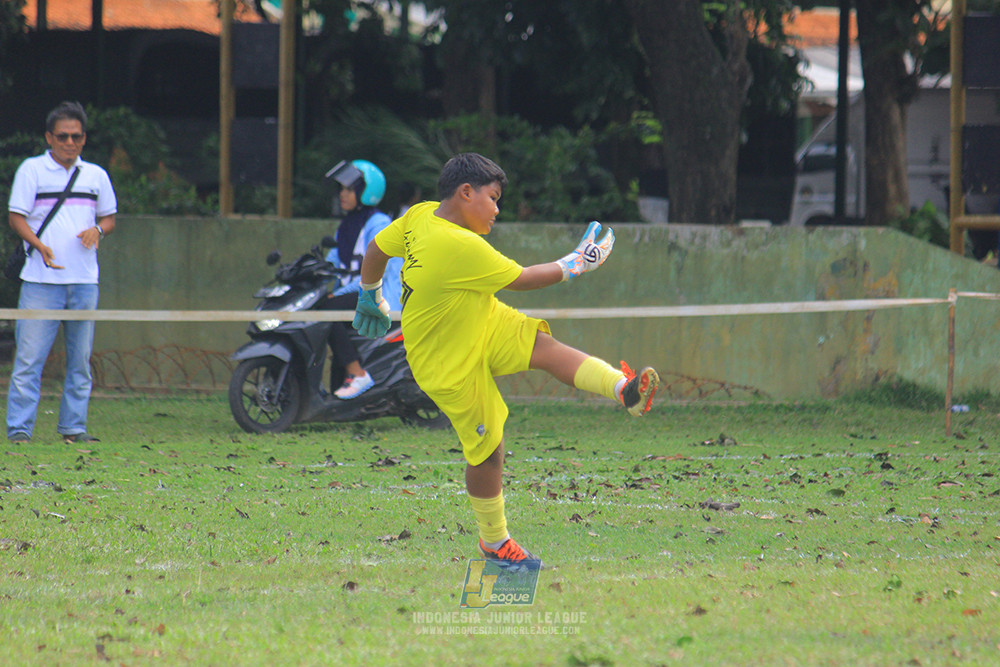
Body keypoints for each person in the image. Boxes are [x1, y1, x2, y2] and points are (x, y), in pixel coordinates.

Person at [351, 152, 659, 567]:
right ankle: (494, 543)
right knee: (488, 451)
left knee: (545, 349)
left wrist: (370, 293)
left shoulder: (420, 215)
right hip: (445, 359)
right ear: (465, 192)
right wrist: (578, 263)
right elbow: (525, 279)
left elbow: (377, 247)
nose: (497, 210)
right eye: (493, 198)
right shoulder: (460, 246)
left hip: (479, 318)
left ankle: (623, 390)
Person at [6, 101, 117, 444]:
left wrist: (97, 231)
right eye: (63, 136)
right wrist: (38, 246)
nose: (70, 142)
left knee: (80, 362)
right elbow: (16, 217)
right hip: (40, 282)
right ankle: (20, 430)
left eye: (77, 136)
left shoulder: (96, 175)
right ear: (49, 138)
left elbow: (109, 218)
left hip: (84, 282)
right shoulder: (31, 170)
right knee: (29, 360)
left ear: (84, 139)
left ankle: (73, 428)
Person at [319, 159, 403, 399]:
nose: (343, 195)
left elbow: (376, 272)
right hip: (358, 294)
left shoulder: (379, 224)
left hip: (378, 295)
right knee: (322, 306)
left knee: (327, 308)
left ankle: (357, 373)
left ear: (366, 192)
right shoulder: (346, 226)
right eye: (342, 189)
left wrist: (338, 293)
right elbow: (332, 262)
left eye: (349, 189)